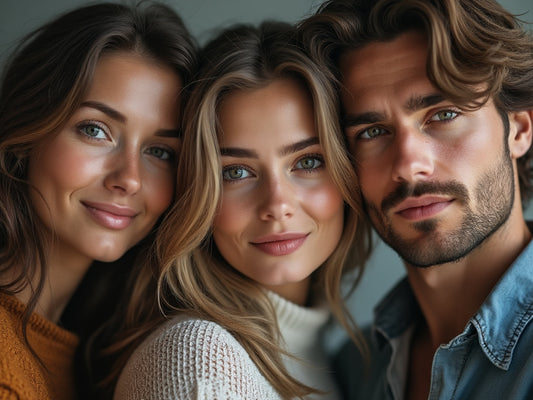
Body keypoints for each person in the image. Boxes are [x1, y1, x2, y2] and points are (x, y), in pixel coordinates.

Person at [106, 21, 371, 400]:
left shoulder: (334, 358)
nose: (277, 205)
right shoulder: (199, 360)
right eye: (236, 172)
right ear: (198, 194)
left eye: (308, 162)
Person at [299, 0, 533, 399]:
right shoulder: (354, 371)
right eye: (371, 132)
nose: (408, 166)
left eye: (443, 115)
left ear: (519, 130)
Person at [0, 2, 197, 399]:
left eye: (161, 152)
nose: (129, 179)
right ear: (26, 137)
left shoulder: (99, 357)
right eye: (95, 130)